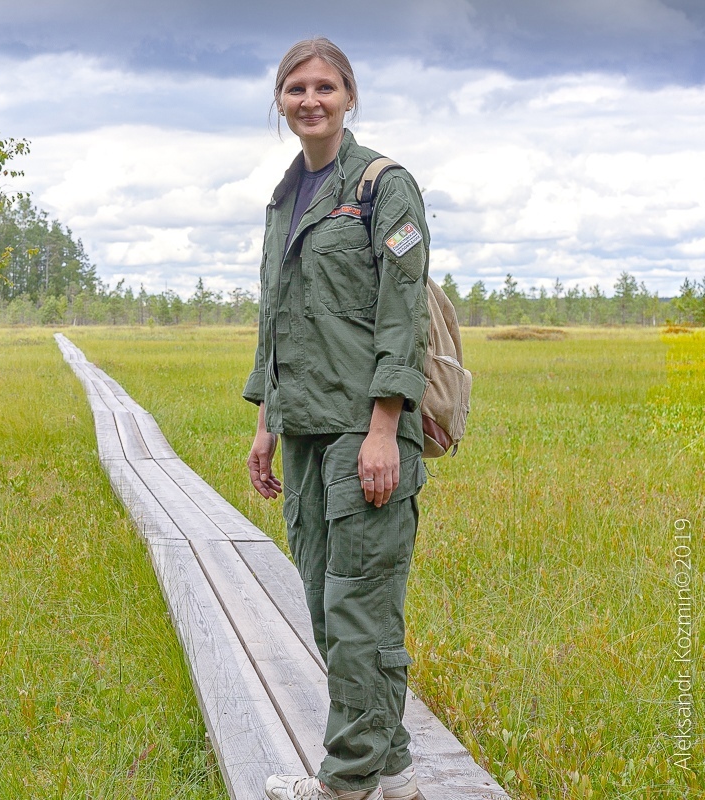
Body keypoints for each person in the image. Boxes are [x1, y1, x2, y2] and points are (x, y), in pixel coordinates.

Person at [244, 37, 430, 800]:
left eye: (325, 86)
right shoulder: (287, 195)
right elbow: (277, 316)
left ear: (350, 95)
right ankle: (389, 769)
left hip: (364, 428)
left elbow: (403, 311)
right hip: (306, 428)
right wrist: (266, 419)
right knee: (328, 601)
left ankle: (346, 783)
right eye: (296, 88)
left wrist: (385, 426)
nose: (310, 100)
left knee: (360, 606)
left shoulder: (384, 186)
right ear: (280, 102)